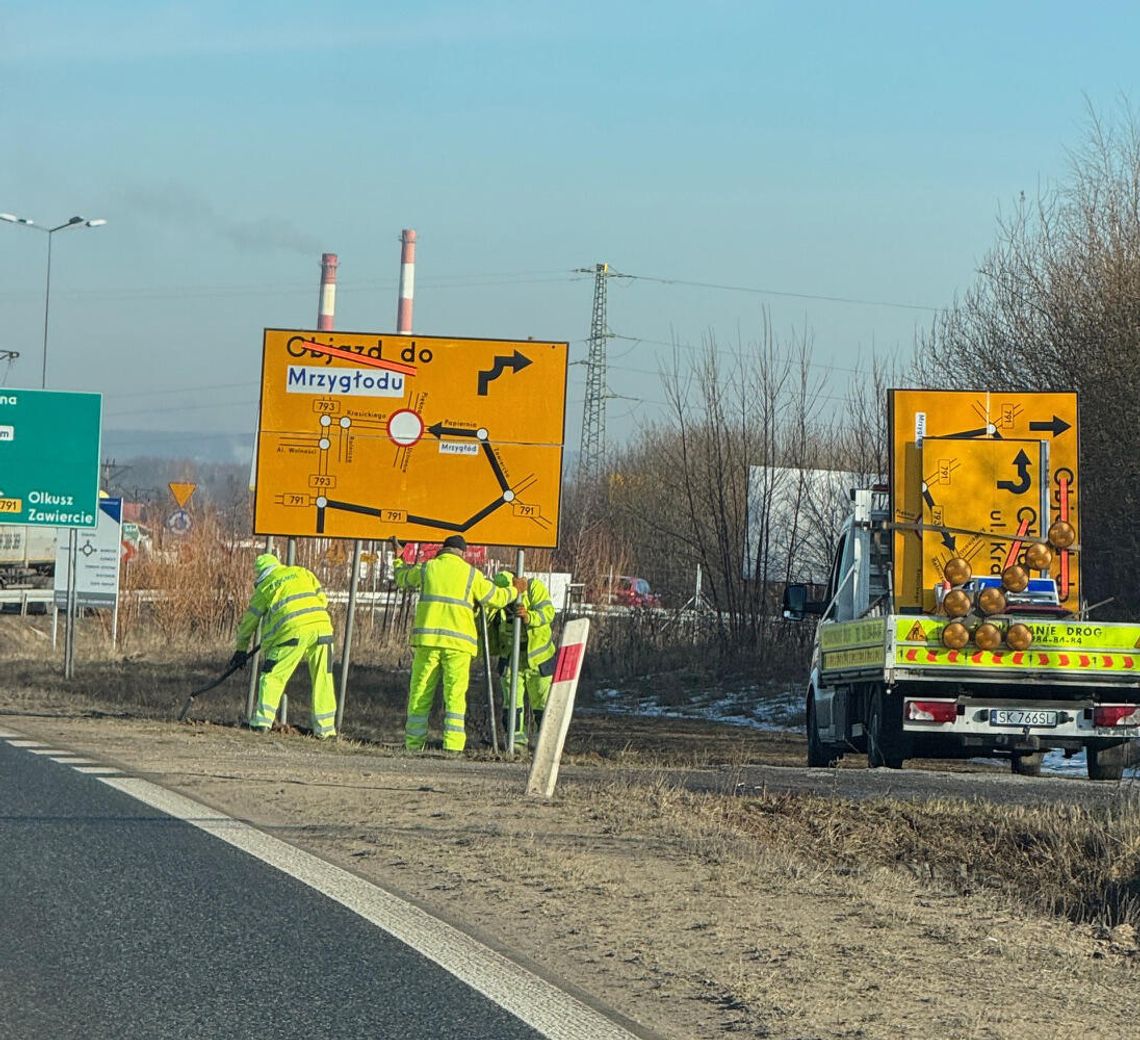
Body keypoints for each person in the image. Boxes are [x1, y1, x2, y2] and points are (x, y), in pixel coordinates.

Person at [393, 534, 521, 752]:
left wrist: (398, 558)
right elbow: (497, 598)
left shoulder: (427, 569)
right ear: (462, 553)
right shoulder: (471, 574)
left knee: (420, 693)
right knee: (455, 696)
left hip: (428, 641)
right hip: (459, 646)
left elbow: (401, 578)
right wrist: (516, 590)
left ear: (444, 550)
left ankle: (413, 745)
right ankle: (452, 747)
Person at [231, 552, 337, 738]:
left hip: (292, 633)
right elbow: (323, 600)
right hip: (323, 627)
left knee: (272, 676)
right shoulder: (302, 572)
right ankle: (326, 730)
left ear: (261, 574)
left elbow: (250, 621)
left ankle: (262, 722)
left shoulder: (266, 586)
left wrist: (241, 648)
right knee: (324, 679)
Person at [488, 569, 557, 748]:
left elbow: (548, 612)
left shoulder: (534, 588)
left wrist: (529, 617)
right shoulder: (496, 604)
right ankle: (515, 744)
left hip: (539, 659)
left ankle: (545, 745)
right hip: (511, 657)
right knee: (512, 703)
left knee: (543, 703)